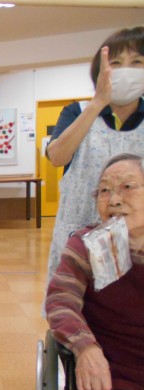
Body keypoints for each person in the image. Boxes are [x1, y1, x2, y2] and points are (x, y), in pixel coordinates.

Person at [46, 153, 144, 390]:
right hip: (116, 376)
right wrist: (85, 347)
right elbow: (61, 301)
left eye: (127, 186)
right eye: (104, 190)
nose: (114, 199)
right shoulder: (88, 246)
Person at [44, 26, 144, 287]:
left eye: (137, 62)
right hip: (80, 232)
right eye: (116, 63)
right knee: (71, 297)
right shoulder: (77, 112)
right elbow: (57, 156)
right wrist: (97, 103)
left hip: (137, 237)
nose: (126, 70)